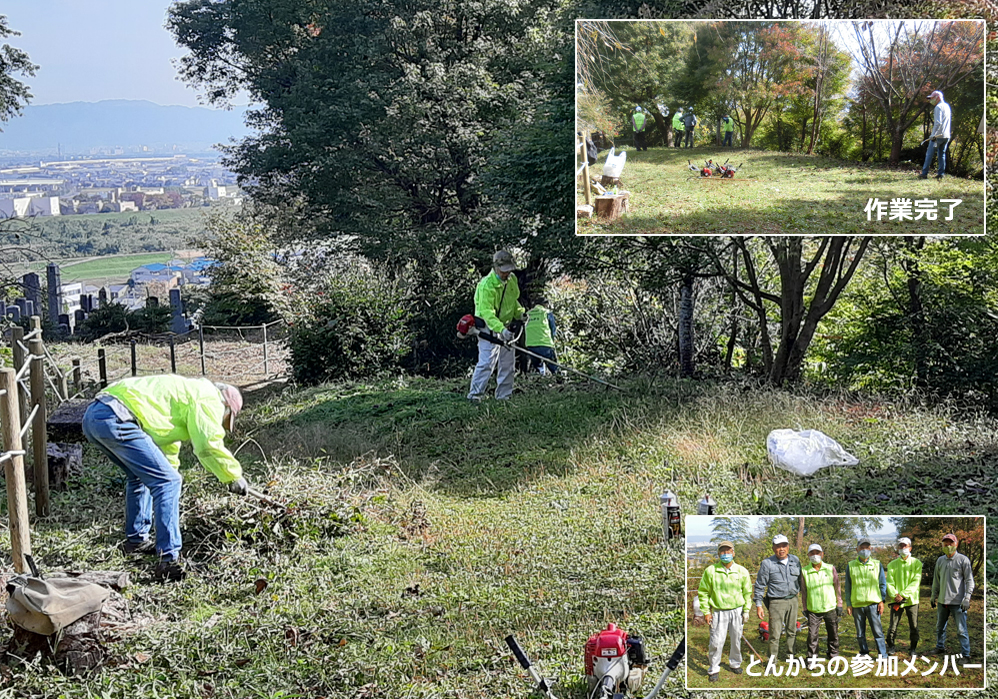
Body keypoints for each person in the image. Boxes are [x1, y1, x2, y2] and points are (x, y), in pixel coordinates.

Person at [82, 375, 248, 581]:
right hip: (118, 416)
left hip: (95, 417)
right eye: (225, 419)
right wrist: (232, 476)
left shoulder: (183, 395)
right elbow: (208, 445)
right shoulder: (209, 398)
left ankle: (136, 541)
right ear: (225, 405)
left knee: (140, 477)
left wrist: (170, 472)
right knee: (169, 483)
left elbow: (164, 449)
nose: (221, 424)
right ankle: (168, 559)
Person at [467, 250, 525, 403]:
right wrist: (501, 330)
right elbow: (487, 313)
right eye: (504, 270)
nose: (506, 273)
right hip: (488, 328)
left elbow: (513, 302)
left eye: (509, 269)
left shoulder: (512, 280)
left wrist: (520, 314)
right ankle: (475, 396)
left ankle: (504, 397)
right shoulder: (486, 285)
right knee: (487, 363)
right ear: (496, 267)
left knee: (508, 364)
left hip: (506, 327)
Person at [697, 541, 752, 682]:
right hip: (718, 611)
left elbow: (747, 592)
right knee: (716, 641)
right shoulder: (711, 571)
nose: (726, 554)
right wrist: (706, 612)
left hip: (737, 610)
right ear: (718, 554)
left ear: (733, 553)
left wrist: (746, 610)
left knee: (736, 639)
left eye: (728, 551)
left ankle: (735, 663)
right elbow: (703, 593)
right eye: (723, 551)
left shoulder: (742, 571)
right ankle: (714, 668)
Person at [753, 534, 802, 661]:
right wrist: (758, 605)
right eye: (778, 546)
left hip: (793, 600)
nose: (781, 549)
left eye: (784, 546)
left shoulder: (795, 560)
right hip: (776, 602)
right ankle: (772, 660)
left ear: (788, 547)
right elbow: (760, 585)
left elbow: (800, 580)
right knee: (775, 633)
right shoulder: (767, 563)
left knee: (792, 630)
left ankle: (791, 656)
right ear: (773, 548)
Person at [929, 532, 974, 660]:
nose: (948, 545)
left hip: (958, 603)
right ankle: (940, 646)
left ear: (956, 544)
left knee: (961, 630)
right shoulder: (940, 560)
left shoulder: (963, 560)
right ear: (942, 544)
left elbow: (969, 580)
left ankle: (966, 654)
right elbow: (936, 580)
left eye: (951, 543)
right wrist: (933, 595)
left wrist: (967, 598)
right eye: (945, 543)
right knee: (940, 627)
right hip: (943, 601)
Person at [844, 536, 888, 660]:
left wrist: (881, 600)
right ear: (857, 549)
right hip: (857, 604)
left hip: (873, 603)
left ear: (870, 549)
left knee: (878, 632)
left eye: (867, 547)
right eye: (861, 547)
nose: (864, 550)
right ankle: (864, 652)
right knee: (860, 633)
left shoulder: (877, 564)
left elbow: (882, 584)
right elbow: (848, 586)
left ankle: (883, 655)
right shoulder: (851, 565)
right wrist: (849, 603)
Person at [800, 543, 843, 661]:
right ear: (808, 555)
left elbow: (837, 587)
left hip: (830, 607)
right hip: (813, 609)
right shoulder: (804, 571)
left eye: (817, 553)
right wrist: (804, 608)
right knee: (812, 635)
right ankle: (812, 658)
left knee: (833, 634)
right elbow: (804, 592)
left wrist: (839, 604)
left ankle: (833, 655)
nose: (815, 556)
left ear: (822, 554)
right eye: (812, 553)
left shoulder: (830, 568)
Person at [886, 537, 922, 656]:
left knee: (914, 625)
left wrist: (903, 594)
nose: (903, 548)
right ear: (898, 548)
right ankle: (891, 646)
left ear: (910, 548)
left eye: (905, 546)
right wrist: (895, 595)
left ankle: (913, 648)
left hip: (911, 600)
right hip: (896, 600)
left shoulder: (916, 563)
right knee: (893, 625)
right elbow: (889, 582)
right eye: (901, 546)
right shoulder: (892, 564)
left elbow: (916, 582)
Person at [919, 90, 951, 180]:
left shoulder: (938, 107)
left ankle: (924, 173)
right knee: (942, 154)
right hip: (946, 136)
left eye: (932, 98)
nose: (931, 100)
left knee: (929, 154)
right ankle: (941, 174)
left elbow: (938, 123)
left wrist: (933, 135)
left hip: (937, 137)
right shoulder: (947, 106)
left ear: (938, 98)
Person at [524, 296, 558, 375]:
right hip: (545, 344)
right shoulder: (546, 313)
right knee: (554, 368)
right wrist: (552, 341)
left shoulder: (528, 314)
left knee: (538, 368)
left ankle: (540, 377)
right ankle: (559, 381)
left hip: (530, 345)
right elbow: (553, 329)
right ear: (545, 304)